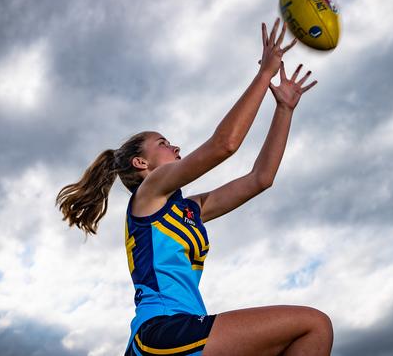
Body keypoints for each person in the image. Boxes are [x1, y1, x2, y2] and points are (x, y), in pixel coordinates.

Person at [56, 18, 333, 356]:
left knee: (311, 329)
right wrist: (264, 75)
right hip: (163, 332)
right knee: (313, 325)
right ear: (141, 164)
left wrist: (284, 110)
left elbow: (260, 179)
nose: (175, 147)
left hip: (177, 334)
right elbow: (224, 145)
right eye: (163, 143)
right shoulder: (150, 192)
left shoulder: (188, 209)